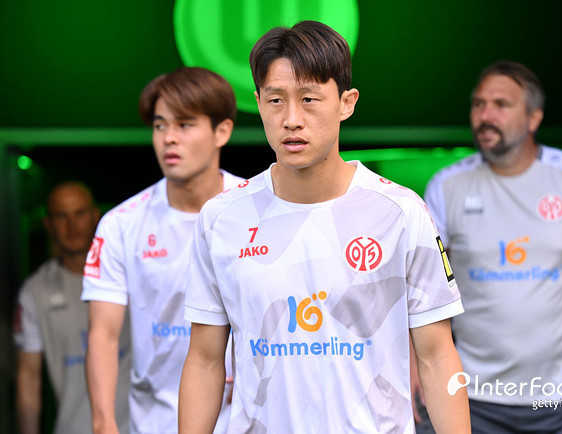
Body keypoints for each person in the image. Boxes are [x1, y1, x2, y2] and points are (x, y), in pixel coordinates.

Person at [178, 20, 470, 433]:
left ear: (346, 103)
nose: (291, 119)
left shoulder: (401, 211)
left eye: (309, 99)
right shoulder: (221, 217)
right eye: (275, 100)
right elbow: (205, 360)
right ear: (258, 103)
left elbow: (437, 355)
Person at [424, 60, 562, 433]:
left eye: (501, 105)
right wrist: (417, 365)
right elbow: (426, 287)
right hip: (471, 395)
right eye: (478, 104)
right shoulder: (445, 186)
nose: (485, 116)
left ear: (534, 117)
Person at [81, 67, 245, 434]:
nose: (169, 138)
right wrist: (104, 423)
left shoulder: (260, 210)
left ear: (222, 131)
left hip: (245, 422)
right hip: (155, 423)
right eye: (159, 125)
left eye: (184, 124)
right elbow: (103, 334)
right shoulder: (121, 223)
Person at [13, 181, 131, 434]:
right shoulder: (36, 291)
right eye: (61, 216)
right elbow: (29, 378)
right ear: (49, 224)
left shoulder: (133, 276)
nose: (72, 225)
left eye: (80, 213)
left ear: (96, 216)